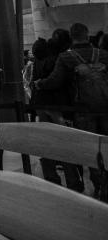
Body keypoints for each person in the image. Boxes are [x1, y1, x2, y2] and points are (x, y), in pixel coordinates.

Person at [35, 23, 108, 195]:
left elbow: (55, 80)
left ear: (72, 36)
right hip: (106, 107)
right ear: (87, 34)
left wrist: (40, 84)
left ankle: (98, 186)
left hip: (83, 110)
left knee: (90, 149)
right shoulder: (103, 54)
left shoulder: (67, 57)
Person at [28, 36, 83, 192]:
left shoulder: (38, 60)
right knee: (64, 142)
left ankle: (51, 178)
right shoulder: (58, 59)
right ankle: (73, 181)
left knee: (46, 143)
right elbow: (58, 82)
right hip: (57, 105)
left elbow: (35, 82)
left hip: (41, 104)